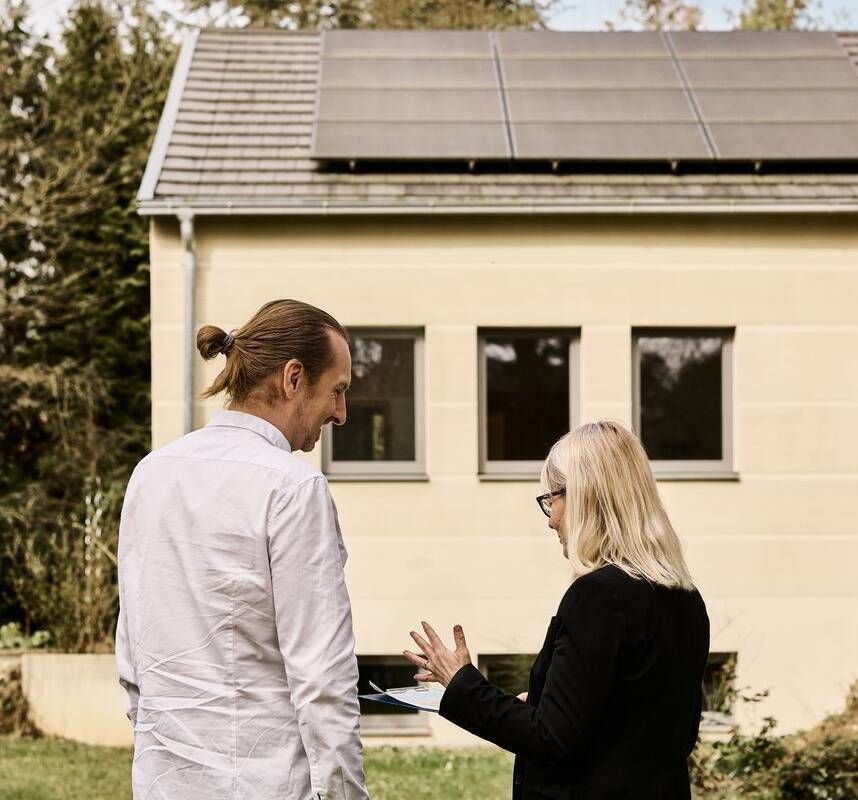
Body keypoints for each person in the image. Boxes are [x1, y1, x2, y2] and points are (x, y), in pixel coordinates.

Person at [115, 299, 368, 800]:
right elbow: (322, 677)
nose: (341, 413)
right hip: (264, 785)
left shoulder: (151, 472)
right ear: (293, 378)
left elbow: (133, 655)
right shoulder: (294, 487)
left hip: (162, 784)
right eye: (337, 391)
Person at [404, 420, 710, 800]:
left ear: (587, 497)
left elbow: (552, 739)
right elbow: (671, 730)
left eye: (554, 499)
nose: (551, 520)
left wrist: (463, 683)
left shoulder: (598, 598)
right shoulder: (685, 597)